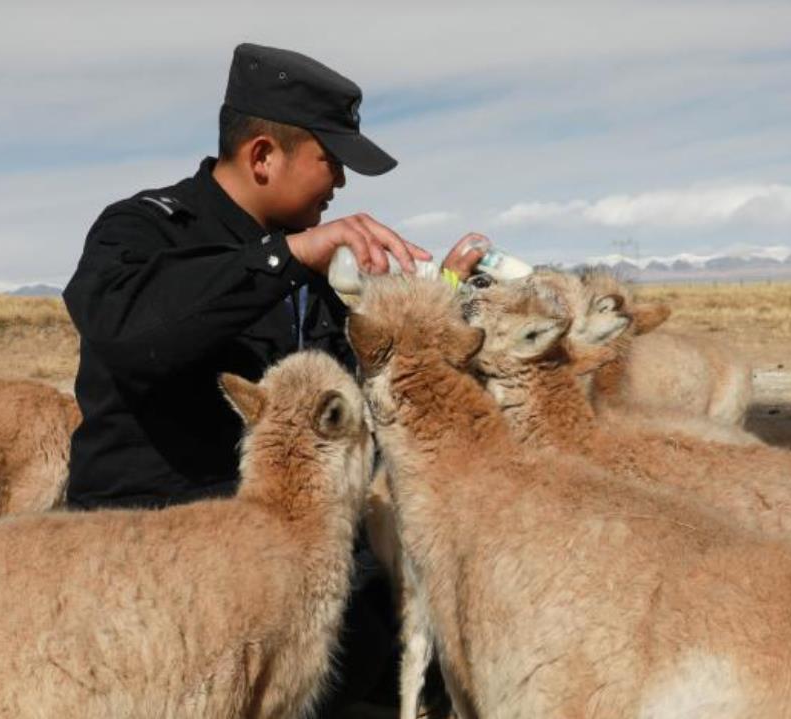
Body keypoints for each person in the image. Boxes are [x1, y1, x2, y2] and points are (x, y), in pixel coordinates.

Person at [62, 42, 485, 715]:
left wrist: (449, 292)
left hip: (282, 579)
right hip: (146, 582)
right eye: (331, 162)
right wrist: (282, 257)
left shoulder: (312, 268)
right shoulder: (142, 230)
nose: (341, 185)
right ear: (263, 156)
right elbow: (134, 334)